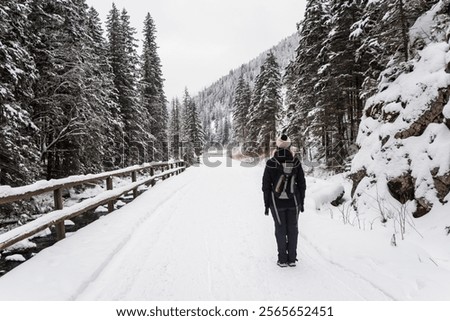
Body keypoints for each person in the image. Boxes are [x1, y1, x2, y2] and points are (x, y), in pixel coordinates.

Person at [262, 134, 306, 267]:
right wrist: (302, 203)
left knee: (280, 229)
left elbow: (265, 186)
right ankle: (292, 259)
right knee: (293, 229)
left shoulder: (271, 163)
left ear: (277, 145)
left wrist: (266, 205)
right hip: (294, 202)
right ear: (289, 146)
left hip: (276, 203)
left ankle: (282, 259)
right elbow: (302, 184)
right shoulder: (296, 162)